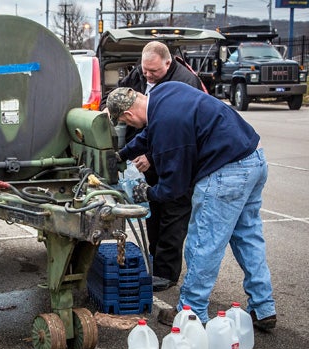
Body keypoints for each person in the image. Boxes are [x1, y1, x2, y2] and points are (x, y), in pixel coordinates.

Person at [106, 83, 277, 330]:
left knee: (203, 243)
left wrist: (148, 192)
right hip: (254, 159)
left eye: (125, 123)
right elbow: (149, 134)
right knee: (247, 238)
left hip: (225, 172)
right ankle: (264, 308)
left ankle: (191, 312)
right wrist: (123, 154)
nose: (130, 127)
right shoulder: (164, 93)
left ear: (128, 115)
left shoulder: (167, 126)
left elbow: (175, 187)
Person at [103, 41, 206, 292]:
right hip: (156, 154)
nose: (147, 75)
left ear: (168, 64)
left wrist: (150, 156)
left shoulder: (183, 82)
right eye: (144, 69)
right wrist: (124, 154)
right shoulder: (140, 74)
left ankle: (167, 273)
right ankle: (155, 261)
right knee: (154, 213)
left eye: (153, 71)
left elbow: (173, 136)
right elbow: (144, 126)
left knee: (174, 211)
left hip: (178, 154)